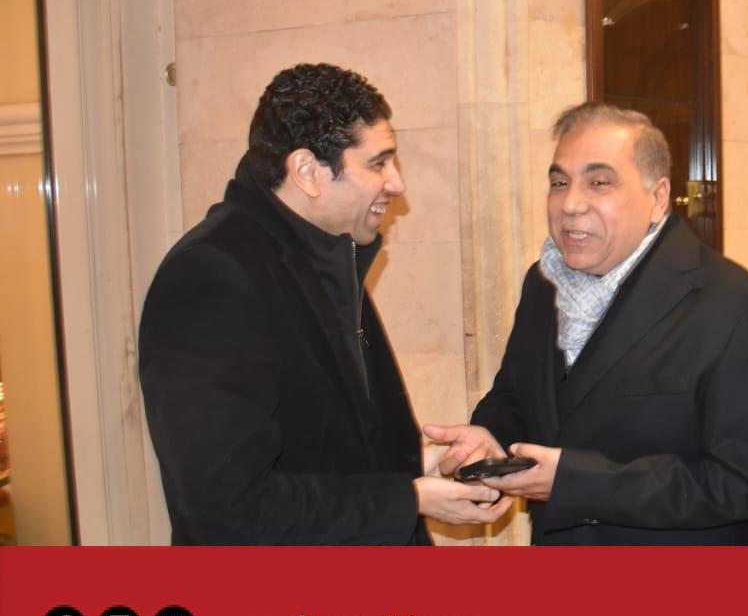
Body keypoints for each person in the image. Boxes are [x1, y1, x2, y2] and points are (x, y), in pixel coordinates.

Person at [140, 63, 511, 544]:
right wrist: (409, 499)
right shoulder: (210, 276)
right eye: (378, 164)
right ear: (307, 172)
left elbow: (321, 447)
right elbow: (227, 510)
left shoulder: (325, 254)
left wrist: (424, 466)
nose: (397, 183)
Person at [427, 102, 748, 544]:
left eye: (599, 182)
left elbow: (742, 483)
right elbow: (517, 397)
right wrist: (489, 439)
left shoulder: (732, 304)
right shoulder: (544, 283)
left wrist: (576, 483)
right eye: (559, 182)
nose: (570, 204)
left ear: (657, 198)